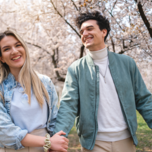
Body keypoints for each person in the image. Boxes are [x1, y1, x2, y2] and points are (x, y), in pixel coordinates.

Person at [53, 11, 152, 152]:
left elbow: (143, 99)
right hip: (94, 143)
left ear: (103, 32)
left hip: (126, 140)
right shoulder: (76, 69)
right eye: (81, 31)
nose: (84, 33)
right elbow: (68, 106)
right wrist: (58, 135)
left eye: (89, 28)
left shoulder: (127, 63)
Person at [0, 30, 69, 152]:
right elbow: (5, 131)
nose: (14, 51)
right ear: (2, 59)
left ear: (24, 49)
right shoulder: (1, 90)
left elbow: (54, 120)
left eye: (18, 45)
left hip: (45, 149)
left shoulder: (45, 82)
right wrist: (49, 142)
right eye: (6, 49)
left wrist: (55, 144)